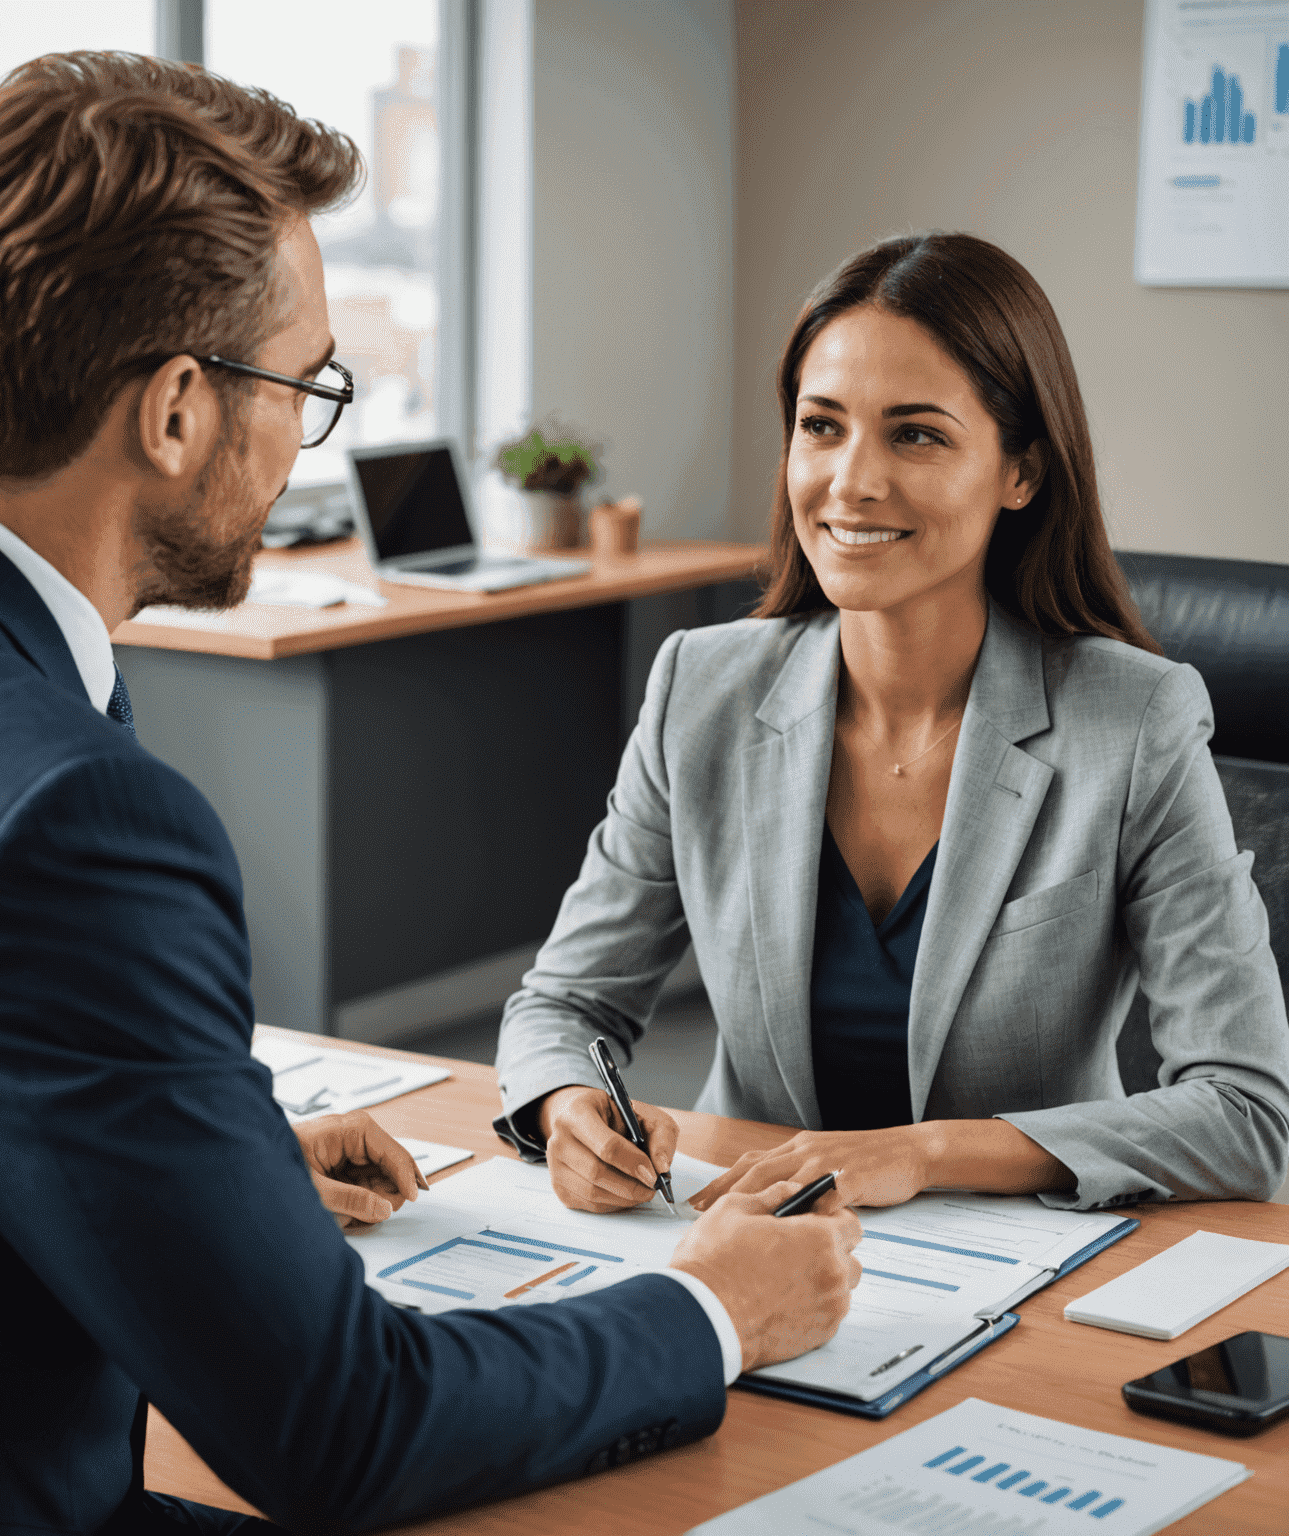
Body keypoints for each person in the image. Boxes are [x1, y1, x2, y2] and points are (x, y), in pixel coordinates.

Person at [0, 52, 866, 1536]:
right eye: (308, 385)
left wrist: (204, 1169)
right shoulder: (67, 822)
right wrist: (709, 1312)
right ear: (173, 412)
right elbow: (344, 1432)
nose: (302, 438)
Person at [495, 231, 1289, 1220]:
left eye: (916, 434)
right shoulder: (699, 688)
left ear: (1023, 473)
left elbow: (1246, 1114)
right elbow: (565, 1004)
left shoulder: (1134, 724)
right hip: (747, 1228)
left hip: (1021, 1258)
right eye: (821, 427)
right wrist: (569, 1104)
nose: (851, 481)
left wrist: (921, 1154)